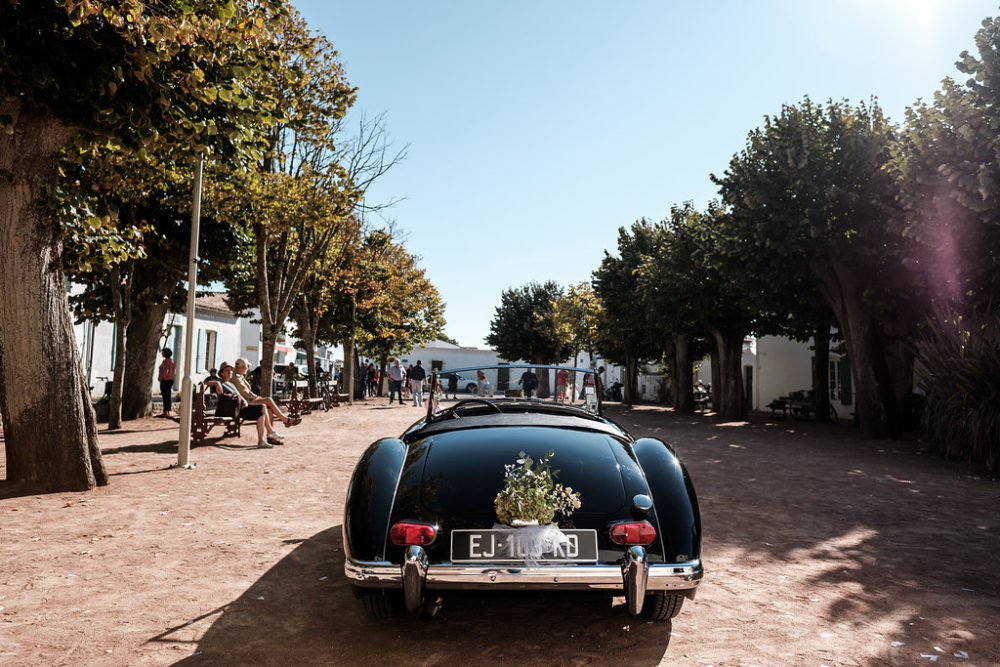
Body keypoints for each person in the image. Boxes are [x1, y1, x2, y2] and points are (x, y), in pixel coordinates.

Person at [206, 362, 284, 448]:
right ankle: (270, 433)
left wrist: (244, 401)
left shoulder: (231, 384)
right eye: (227, 370)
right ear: (221, 373)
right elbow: (205, 382)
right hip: (230, 409)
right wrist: (216, 384)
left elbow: (239, 395)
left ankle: (262, 440)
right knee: (262, 407)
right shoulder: (220, 381)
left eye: (231, 371)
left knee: (261, 412)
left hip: (238, 407)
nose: (230, 372)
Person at [230, 358, 301, 426]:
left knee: (269, 409)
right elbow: (245, 393)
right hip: (244, 402)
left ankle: (271, 433)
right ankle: (285, 420)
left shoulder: (239, 376)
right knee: (268, 400)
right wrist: (257, 397)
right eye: (246, 366)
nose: (247, 368)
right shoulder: (236, 377)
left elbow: (247, 387)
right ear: (242, 367)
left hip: (245, 400)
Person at [157, 348, 176, 417]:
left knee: (165, 395)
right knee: (168, 395)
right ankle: (168, 411)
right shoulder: (172, 361)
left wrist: (161, 378)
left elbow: (166, 371)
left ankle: (165, 411)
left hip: (165, 380)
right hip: (171, 380)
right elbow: (174, 371)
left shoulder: (165, 361)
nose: (162, 353)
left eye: (163, 352)